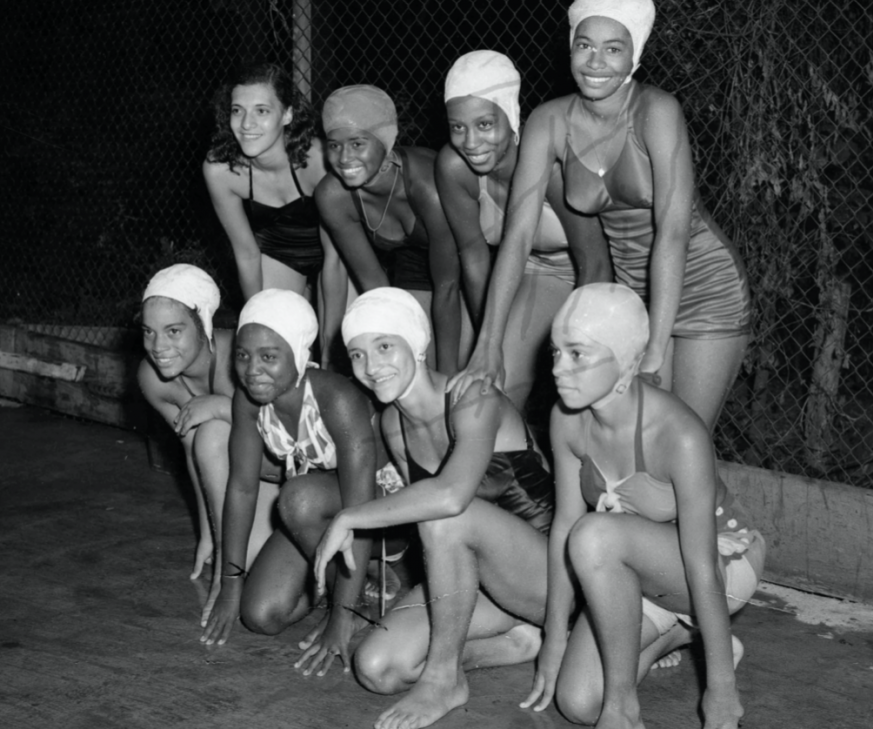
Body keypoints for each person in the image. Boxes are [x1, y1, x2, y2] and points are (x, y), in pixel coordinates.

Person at [451, 0, 751, 433]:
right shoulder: (549, 121)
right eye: (585, 45)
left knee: (679, 441)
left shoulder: (657, 111)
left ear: (635, 55)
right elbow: (517, 238)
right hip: (631, 293)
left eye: (613, 49)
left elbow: (673, 232)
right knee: (627, 441)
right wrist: (487, 344)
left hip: (704, 286)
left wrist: (652, 348)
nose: (595, 62)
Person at [521, 283, 765, 729]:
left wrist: (721, 690)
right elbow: (564, 525)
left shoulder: (679, 434)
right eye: (556, 352)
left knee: (594, 537)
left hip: (721, 565)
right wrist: (553, 637)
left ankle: (623, 709)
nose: (558, 368)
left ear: (626, 360)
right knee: (578, 702)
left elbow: (702, 565)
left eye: (577, 354)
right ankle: (675, 635)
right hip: (640, 570)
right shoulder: (566, 419)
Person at [314, 287, 552, 729]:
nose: (372, 366)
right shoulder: (393, 424)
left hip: (548, 575)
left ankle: (444, 680)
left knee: (444, 518)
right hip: (483, 583)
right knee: (378, 667)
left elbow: (450, 497)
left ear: (417, 344)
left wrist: (349, 517)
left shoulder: (473, 396)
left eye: (385, 346)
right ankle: (520, 643)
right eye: (358, 355)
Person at [201, 288, 397, 676]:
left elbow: (360, 511)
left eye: (269, 356)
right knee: (261, 615)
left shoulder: (335, 397)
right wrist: (230, 585)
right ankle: (353, 586)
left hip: (385, 511)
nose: (252, 369)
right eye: (243, 355)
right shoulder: (248, 400)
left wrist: (341, 617)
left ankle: (357, 597)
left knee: (296, 499)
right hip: (320, 510)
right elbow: (242, 488)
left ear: (298, 355)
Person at [435, 50, 610, 411]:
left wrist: (578, 341)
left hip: (589, 274)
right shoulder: (453, 168)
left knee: (585, 397)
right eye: (458, 127)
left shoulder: (552, 165)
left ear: (512, 115)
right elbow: (474, 260)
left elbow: (595, 261)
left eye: (485, 124)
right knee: (485, 392)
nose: (471, 142)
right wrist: (489, 341)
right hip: (526, 272)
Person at [315, 85, 467, 375]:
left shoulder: (428, 185)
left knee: (458, 373)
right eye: (334, 145)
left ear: (385, 140)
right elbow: (376, 286)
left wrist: (446, 380)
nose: (344, 158)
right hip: (412, 267)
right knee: (413, 366)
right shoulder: (332, 197)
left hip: (466, 268)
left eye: (357, 143)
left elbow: (448, 286)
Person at [203, 61, 348, 362]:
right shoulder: (221, 171)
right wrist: (255, 321)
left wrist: (329, 347)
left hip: (337, 257)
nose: (246, 124)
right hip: (279, 255)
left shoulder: (319, 161)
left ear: (287, 114)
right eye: (237, 110)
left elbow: (335, 258)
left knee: (345, 345)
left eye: (261, 111)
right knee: (271, 342)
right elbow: (247, 254)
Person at [137, 264, 236, 616]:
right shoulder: (153, 378)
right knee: (206, 437)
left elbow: (284, 431)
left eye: (174, 331)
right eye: (148, 332)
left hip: (282, 475)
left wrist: (222, 406)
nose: (158, 347)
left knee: (214, 431)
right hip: (240, 486)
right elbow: (194, 451)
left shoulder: (239, 356)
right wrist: (209, 532)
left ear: (203, 324)